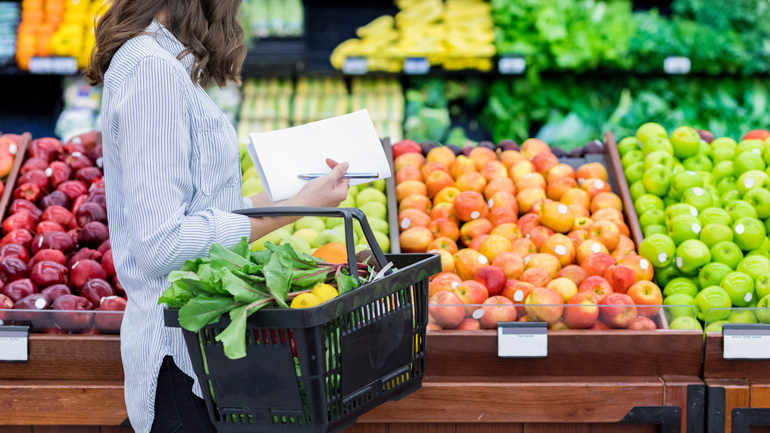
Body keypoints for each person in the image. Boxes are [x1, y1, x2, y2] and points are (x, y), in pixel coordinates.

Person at [84, 1, 350, 432]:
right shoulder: (151, 71)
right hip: (178, 361)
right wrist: (290, 212)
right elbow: (162, 244)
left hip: (202, 356)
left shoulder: (163, 61)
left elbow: (199, 212)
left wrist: (300, 198)